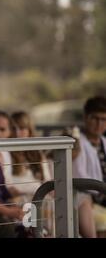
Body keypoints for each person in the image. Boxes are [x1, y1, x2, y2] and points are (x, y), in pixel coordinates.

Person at [0, 110, 24, 237]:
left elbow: (3, 187)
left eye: (1, 129)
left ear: (9, 132)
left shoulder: (0, 155)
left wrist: (14, 205)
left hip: (4, 205)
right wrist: (8, 211)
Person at [73, 96, 106, 238]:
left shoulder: (104, 142)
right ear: (86, 117)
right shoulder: (77, 142)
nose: (99, 124)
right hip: (90, 197)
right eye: (95, 118)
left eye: (104, 119)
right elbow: (79, 176)